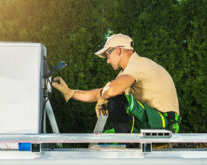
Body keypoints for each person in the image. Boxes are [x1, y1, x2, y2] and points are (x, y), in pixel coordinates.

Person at [52, 33, 180, 133]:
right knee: (106, 139)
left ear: (117, 50)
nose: (107, 61)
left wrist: (105, 96)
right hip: (153, 122)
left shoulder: (139, 64)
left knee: (116, 98)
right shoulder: (127, 73)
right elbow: (101, 93)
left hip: (165, 123)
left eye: (108, 55)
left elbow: (111, 91)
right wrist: (70, 92)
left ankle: (128, 143)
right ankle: (125, 142)